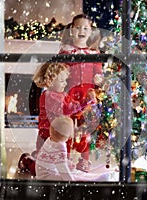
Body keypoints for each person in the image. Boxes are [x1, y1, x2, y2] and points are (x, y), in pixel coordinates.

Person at [18, 62, 93, 175]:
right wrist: (84, 101)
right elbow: (66, 109)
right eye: (62, 81)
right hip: (47, 135)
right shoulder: (49, 96)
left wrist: (86, 103)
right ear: (50, 82)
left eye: (65, 80)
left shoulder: (62, 94)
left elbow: (73, 107)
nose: (65, 83)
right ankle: (27, 161)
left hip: (61, 135)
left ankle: (63, 165)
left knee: (61, 163)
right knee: (44, 168)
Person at [59, 14, 103, 172]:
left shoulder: (94, 54)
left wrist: (98, 80)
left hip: (87, 97)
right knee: (67, 128)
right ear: (71, 30)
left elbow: (98, 73)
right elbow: (59, 72)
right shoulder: (66, 53)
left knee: (86, 129)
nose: (81, 31)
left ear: (91, 32)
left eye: (86, 28)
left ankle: (84, 160)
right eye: (78, 27)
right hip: (69, 96)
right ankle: (66, 158)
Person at [35, 115, 109, 181]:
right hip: (45, 177)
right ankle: (91, 180)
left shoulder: (51, 140)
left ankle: (91, 177)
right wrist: (71, 181)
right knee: (71, 175)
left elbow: (56, 158)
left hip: (43, 173)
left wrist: (68, 163)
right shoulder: (59, 146)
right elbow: (63, 169)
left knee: (72, 171)